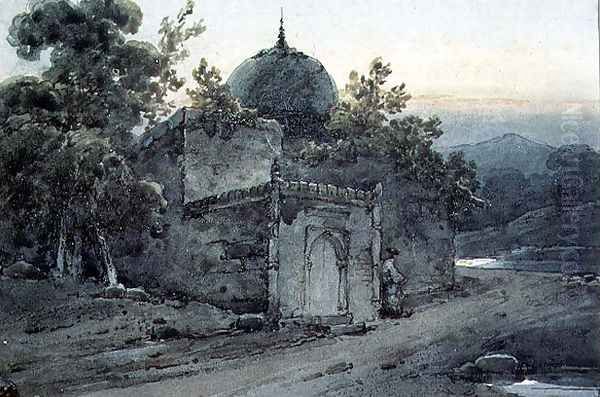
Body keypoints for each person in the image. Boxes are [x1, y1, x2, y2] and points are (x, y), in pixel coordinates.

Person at [382, 248, 408, 317]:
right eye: (396, 255)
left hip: (389, 283)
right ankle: (394, 312)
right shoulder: (389, 263)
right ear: (393, 256)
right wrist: (402, 279)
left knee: (394, 296)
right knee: (393, 297)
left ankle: (394, 311)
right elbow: (394, 274)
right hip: (390, 284)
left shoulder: (387, 263)